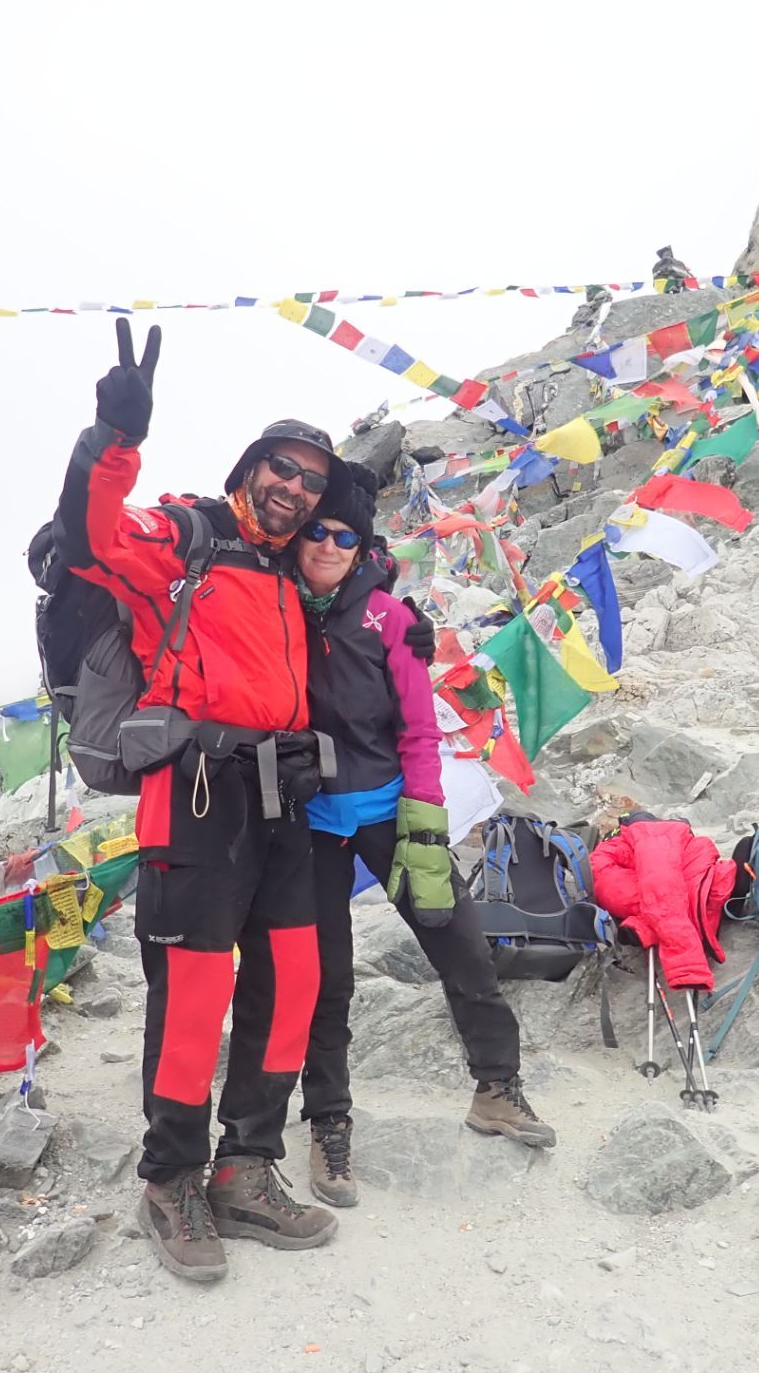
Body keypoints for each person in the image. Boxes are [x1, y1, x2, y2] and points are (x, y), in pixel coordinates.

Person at [53, 318, 350, 1284]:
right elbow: (91, 534)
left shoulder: (286, 571)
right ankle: (170, 1179)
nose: (295, 488)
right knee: (194, 995)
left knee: (294, 983)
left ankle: (246, 1168)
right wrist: (113, 442)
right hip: (192, 795)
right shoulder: (189, 534)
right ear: (249, 467)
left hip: (280, 801)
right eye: (282, 468)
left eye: (310, 481)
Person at [292, 465, 555, 1210]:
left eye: (346, 533)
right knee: (325, 980)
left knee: (460, 944)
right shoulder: (275, 604)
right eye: (317, 529)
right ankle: (328, 1123)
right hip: (306, 821)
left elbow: (416, 729)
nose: (329, 543)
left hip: (387, 810)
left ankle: (497, 1089)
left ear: (361, 542)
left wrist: (425, 822)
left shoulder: (387, 619)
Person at [589, 810, 736, 992]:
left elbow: (661, 889)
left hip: (672, 884)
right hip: (679, 886)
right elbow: (661, 892)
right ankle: (679, 954)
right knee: (662, 892)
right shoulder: (632, 842)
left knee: (660, 891)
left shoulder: (651, 832)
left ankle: (657, 936)